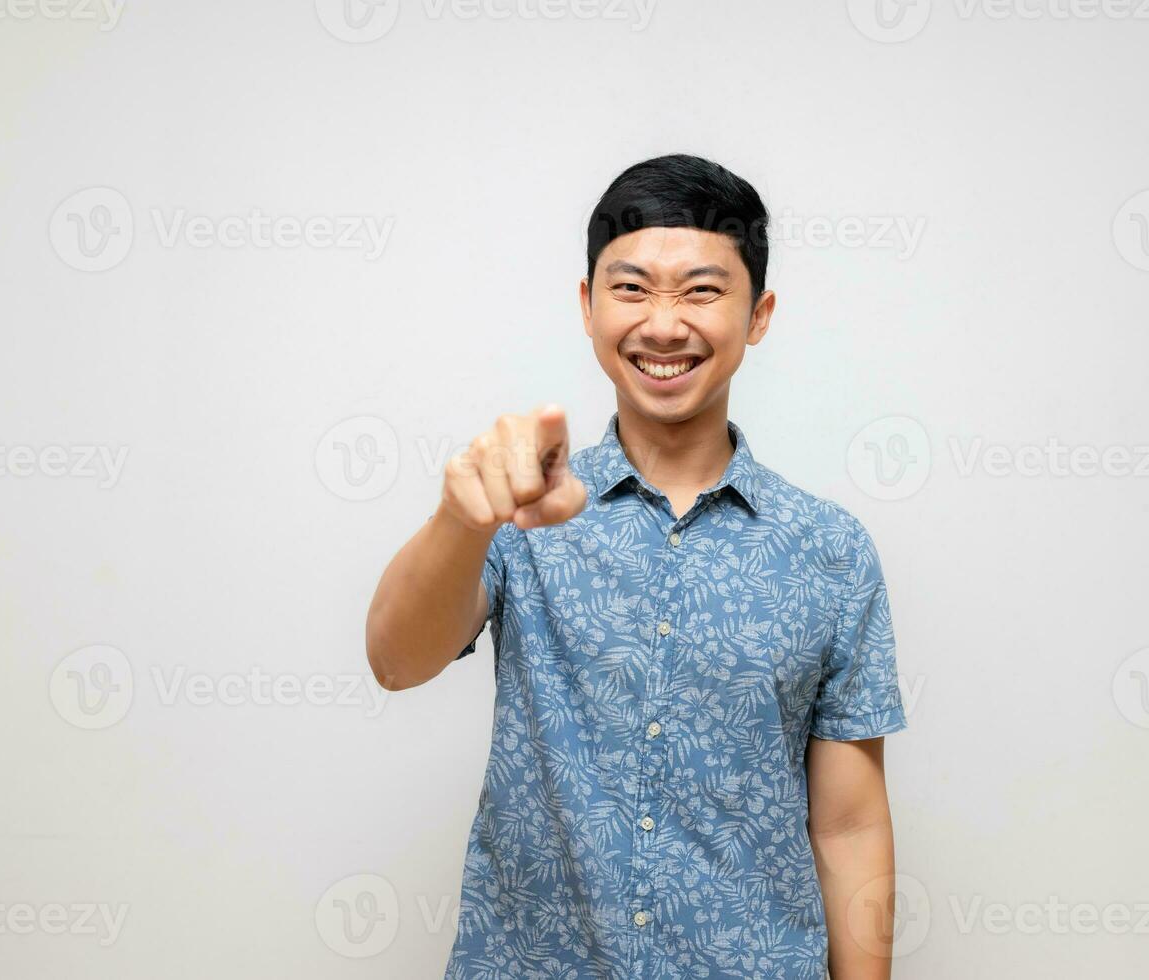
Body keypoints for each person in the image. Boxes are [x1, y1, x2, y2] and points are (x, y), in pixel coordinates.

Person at [365, 153, 908, 979]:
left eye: (701, 290)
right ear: (587, 308)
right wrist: (459, 519)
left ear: (757, 315)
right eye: (630, 289)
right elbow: (395, 663)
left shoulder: (829, 552)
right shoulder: (522, 515)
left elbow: (849, 826)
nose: (663, 324)